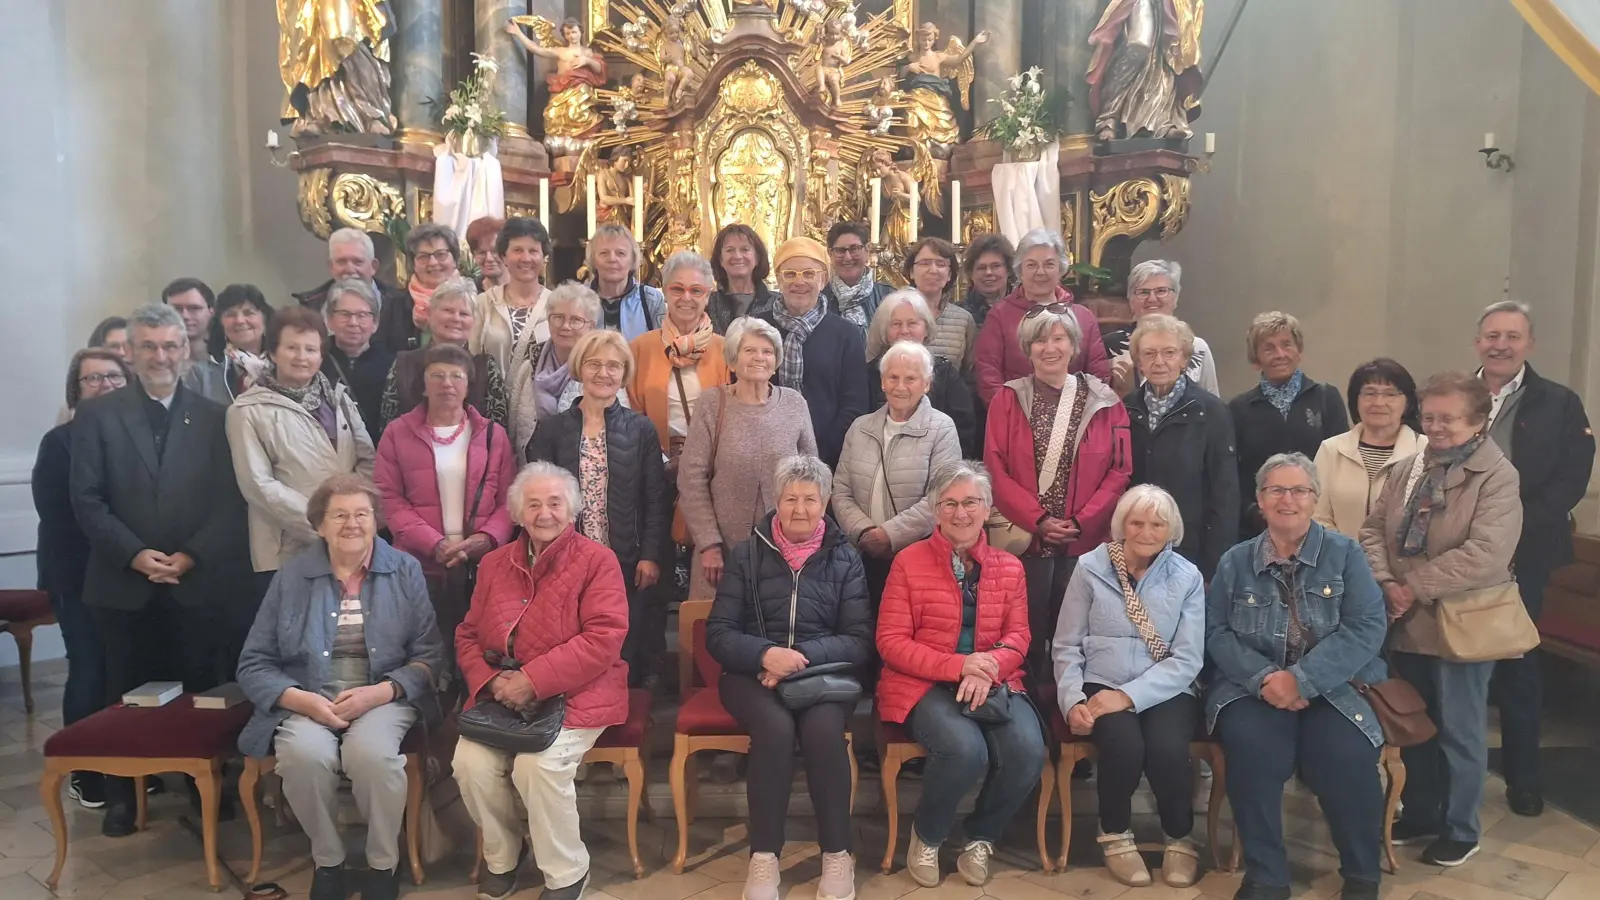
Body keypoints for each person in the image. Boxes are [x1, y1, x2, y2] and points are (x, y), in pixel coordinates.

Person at [70, 303, 249, 837]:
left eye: (170, 346)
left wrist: (190, 555)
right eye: (148, 346)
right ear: (132, 352)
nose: (161, 356)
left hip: (195, 582)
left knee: (201, 693)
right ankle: (126, 795)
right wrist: (135, 555)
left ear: (185, 349)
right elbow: (87, 500)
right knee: (124, 696)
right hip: (123, 583)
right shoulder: (98, 415)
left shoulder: (215, 414)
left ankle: (205, 792)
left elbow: (229, 501)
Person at [235, 475, 442, 900]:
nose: (352, 524)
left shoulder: (405, 570)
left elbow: (430, 658)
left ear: (375, 521)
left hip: (382, 696)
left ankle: (383, 864)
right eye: (340, 515)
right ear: (319, 525)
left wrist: (380, 692)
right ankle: (328, 860)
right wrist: (302, 700)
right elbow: (253, 662)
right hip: (309, 696)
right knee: (302, 756)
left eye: (362, 514)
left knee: (373, 757)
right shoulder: (291, 577)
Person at [1208, 453, 1388, 900]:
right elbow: (1215, 632)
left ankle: (1362, 874)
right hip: (1254, 689)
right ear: (1260, 500)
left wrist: (1301, 680)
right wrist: (1267, 678)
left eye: (1299, 491)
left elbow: (1366, 627)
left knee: (1346, 754)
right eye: (1276, 490)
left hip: (1336, 687)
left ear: (1314, 499)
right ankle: (1267, 876)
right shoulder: (1234, 561)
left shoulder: (1346, 555)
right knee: (1252, 749)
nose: (1288, 500)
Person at [1361, 372, 1522, 867]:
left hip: (1461, 623)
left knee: (1460, 729)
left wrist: (1414, 586)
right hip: (1405, 621)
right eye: (1429, 416)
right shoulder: (1407, 468)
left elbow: (1487, 554)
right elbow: (1371, 530)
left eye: (1448, 418)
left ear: (1477, 422)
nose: (1436, 427)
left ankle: (1460, 827)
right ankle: (1424, 812)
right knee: (1414, 724)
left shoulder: (1498, 475)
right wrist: (1387, 582)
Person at [453, 462, 629, 900]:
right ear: (518, 513)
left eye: (554, 503)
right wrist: (493, 683)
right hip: (503, 695)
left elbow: (603, 637)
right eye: (534, 504)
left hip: (581, 690)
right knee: (469, 763)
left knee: (539, 766)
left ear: (571, 509)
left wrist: (532, 679)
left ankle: (567, 871)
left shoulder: (597, 560)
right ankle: (505, 856)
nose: (544, 513)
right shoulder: (494, 564)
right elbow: (468, 634)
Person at [706, 455, 872, 900]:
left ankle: (837, 853)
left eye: (810, 500)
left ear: (827, 502)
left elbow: (858, 640)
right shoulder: (747, 554)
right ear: (776, 501)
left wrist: (796, 657)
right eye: (791, 499)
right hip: (749, 674)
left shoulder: (845, 558)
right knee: (776, 730)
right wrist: (764, 654)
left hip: (822, 676)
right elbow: (718, 633)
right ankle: (764, 858)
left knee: (822, 732)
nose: (800, 509)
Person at [877, 460, 1045, 889]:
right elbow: (891, 641)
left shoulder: (1010, 566)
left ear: (987, 508)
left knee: (1028, 748)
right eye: (949, 504)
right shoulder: (907, 562)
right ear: (935, 512)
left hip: (994, 681)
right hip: (923, 682)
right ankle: (928, 835)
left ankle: (980, 837)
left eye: (970, 502)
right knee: (964, 748)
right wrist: (959, 666)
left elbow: (1019, 635)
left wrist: (986, 669)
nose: (960, 512)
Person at [1474, 300, 1595, 816]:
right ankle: (1444, 785)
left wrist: (1516, 528)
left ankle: (1523, 781)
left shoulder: (1559, 402)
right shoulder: (1455, 394)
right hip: (1459, 554)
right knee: (1450, 669)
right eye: (1492, 335)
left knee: (1518, 667)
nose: (1501, 344)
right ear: (1478, 340)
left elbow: (1573, 476)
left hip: (1526, 554)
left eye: (1512, 336)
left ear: (1530, 344)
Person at [1053, 485, 1205, 888]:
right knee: (1124, 745)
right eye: (1137, 522)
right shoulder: (1090, 567)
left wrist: (1129, 696)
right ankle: (1115, 833)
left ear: (1171, 528)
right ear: (1122, 524)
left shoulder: (1188, 576)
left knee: (1167, 748)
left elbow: (1188, 659)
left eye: (1157, 524)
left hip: (1166, 686)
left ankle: (1179, 836)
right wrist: (1072, 701)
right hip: (1101, 680)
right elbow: (1066, 645)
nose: (1146, 532)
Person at [985, 303, 1132, 671]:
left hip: (1083, 542)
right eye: (1039, 340)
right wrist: (1038, 520)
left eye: (1058, 338)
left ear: (1074, 345)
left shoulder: (1106, 401)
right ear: (1026, 348)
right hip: (1025, 540)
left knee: (1078, 637)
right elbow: (995, 468)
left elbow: (1120, 469)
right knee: (1026, 635)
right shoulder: (1007, 398)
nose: (1049, 348)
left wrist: (1082, 522)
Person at [374, 344, 518, 696]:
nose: (447, 383)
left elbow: (510, 499)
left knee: (478, 652)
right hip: (419, 564)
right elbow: (389, 498)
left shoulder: (492, 434)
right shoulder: (397, 432)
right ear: (422, 385)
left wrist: (486, 538)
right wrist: (434, 544)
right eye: (437, 375)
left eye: (457, 376)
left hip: (480, 564)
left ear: (469, 385)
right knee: (427, 655)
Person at [529, 331, 669, 686]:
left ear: (624, 374)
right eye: (594, 364)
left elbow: (655, 499)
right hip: (566, 560)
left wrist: (651, 555)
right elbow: (536, 501)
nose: (603, 373)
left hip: (624, 559)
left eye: (613, 366)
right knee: (572, 646)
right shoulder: (551, 430)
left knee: (622, 647)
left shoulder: (640, 429)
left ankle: (623, 720)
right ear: (579, 369)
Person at [32, 348, 130, 809]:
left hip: (129, 574)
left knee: (123, 674)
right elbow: (60, 514)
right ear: (77, 389)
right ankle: (86, 771)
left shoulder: (134, 439)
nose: (105, 385)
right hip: (78, 575)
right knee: (89, 672)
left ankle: (126, 769)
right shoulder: (59, 442)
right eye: (93, 378)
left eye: (114, 377)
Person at [227, 306, 377, 591]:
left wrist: (350, 520)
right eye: (291, 348)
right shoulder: (247, 410)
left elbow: (366, 458)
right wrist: (325, 525)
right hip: (288, 547)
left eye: (310, 349)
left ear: (321, 355)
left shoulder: (339, 399)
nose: (301, 357)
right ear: (272, 352)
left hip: (350, 542)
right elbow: (259, 485)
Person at [678, 317, 818, 599]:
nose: (759, 358)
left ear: (776, 360)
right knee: (714, 633)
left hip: (785, 552)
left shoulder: (794, 403)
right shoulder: (712, 404)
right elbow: (691, 478)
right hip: (721, 554)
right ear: (732, 359)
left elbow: (812, 476)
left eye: (767, 352)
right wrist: (708, 544)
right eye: (749, 350)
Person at [834, 340, 962, 606]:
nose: (900, 386)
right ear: (882, 381)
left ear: (926, 384)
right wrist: (865, 532)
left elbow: (941, 497)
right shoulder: (860, 427)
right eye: (893, 377)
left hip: (918, 556)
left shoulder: (942, 428)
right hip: (861, 555)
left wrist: (889, 535)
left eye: (911, 378)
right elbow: (841, 491)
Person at [1122, 315, 1238, 579]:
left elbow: (1225, 493)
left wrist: (1214, 566)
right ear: (1138, 361)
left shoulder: (1212, 412)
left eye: (1169, 353)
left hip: (1190, 549)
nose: (1159, 361)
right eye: (1149, 353)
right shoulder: (1125, 409)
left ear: (1184, 359)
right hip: (1135, 546)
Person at [1229, 311, 1349, 539]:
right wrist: (1257, 513)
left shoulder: (1326, 398)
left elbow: (1339, 465)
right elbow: (1233, 476)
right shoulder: (1239, 409)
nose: (1280, 354)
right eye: (1269, 348)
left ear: (1299, 351)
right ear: (1256, 359)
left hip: (1318, 526)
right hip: (1258, 529)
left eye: (1287, 345)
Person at [757, 236, 868, 467]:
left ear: (823, 279)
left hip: (826, 457)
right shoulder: (757, 329)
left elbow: (854, 404)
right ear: (778, 279)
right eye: (790, 274)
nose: (800, 282)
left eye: (809, 274)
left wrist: (818, 450)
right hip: (762, 452)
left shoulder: (846, 334)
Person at [975, 228, 1110, 405]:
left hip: (1075, 418)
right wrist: (1010, 414)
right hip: (1015, 419)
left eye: (1049, 264)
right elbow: (988, 374)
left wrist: (1078, 414)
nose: (1040, 272)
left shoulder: (1083, 317)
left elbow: (1098, 375)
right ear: (1019, 271)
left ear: (1061, 269)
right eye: (1031, 265)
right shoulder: (1000, 315)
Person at [1311, 359, 1424, 539]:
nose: (1378, 402)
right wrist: (1348, 555)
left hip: (1402, 563)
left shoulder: (1425, 450)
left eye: (1390, 394)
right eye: (1369, 393)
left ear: (1408, 402)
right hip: (1340, 561)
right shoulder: (1331, 449)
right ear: (1356, 400)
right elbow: (1316, 515)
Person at [380, 276, 509, 431]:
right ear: (429, 313)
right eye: (448, 310)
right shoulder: (404, 364)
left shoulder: (485, 368)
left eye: (464, 314)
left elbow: (499, 433)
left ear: (473, 321)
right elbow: (388, 428)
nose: (456, 318)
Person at [865, 289, 978, 455]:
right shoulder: (870, 374)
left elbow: (964, 433)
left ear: (926, 329)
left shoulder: (945, 375)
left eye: (912, 323)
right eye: (896, 324)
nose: (904, 331)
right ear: (885, 331)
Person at [509, 281, 609, 458]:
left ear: (591, 326)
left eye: (576, 320)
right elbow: (513, 426)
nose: (565, 326)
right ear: (548, 320)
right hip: (532, 469)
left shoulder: (602, 371)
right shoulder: (529, 366)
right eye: (558, 317)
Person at [1105, 260, 1220, 396]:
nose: (1152, 299)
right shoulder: (1108, 346)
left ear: (1175, 298)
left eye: (1161, 291)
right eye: (1143, 292)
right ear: (1131, 301)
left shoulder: (1197, 347)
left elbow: (1212, 401)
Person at [471, 216, 551, 376]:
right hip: (492, 399)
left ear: (544, 257)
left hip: (540, 400)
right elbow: (472, 360)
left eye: (533, 251)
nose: (526, 258)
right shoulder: (483, 304)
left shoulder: (557, 305)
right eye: (517, 250)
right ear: (503, 256)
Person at [322, 277, 396, 446]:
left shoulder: (394, 365)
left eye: (362, 315)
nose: (353, 323)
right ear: (330, 320)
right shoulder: (316, 361)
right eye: (345, 314)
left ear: (375, 323)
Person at [379, 223, 462, 353]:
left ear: (455, 260)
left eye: (441, 254)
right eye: (423, 256)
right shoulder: (393, 305)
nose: (433, 262)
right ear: (414, 264)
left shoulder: (475, 301)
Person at [903, 237, 977, 373]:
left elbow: (969, 374)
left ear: (949, 274)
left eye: (941, 264)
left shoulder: (963, 320)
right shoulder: (893, 312)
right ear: (911, 272)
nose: (933, 270)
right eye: (925, 263)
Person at [587, 224, 666, 343]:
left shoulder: (651, 300)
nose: (612, 259)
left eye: (621, 253)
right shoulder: (578, 300)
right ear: (593, 260)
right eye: (604, 253)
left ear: (633, 259)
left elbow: (661, 349)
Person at [294, 226, 394, 316]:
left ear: (373, 266)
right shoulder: (311, 308)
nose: (349, 269)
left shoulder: (400, 305)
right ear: (331, 267)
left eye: (357, 262)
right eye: (341, 262)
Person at [204, 283, 276, 403]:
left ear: (265, 317)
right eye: (230, 315)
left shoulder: (284, 363)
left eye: (248, 313)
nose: (240, 320)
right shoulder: (202, 374)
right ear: (220, 323)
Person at [820, 221, 891, 331]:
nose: (847, 257)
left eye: (854, 249)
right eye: (840, 250)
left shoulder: (889, 297)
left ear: (867, 250)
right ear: (830, 254)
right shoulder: (818, 300)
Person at [706, 224, 777, 333]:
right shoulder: (707, 303)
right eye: (730, 250)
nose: (738, 256)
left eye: (745, 249)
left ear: (757, 257)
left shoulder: (777, 304)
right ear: (720, 259)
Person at [164, 277, 225, 402]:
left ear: (211, 311)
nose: (185, 316)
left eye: (194, 308)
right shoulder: (156, 358)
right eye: (176, 309)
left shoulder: (229, 358)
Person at [959, 233, 1015, 332]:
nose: (988, 272)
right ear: (971, 274)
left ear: (1009, 270)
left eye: (996, 266)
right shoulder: (957, 315)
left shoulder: (1025, 311)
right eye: (981, 268)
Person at [466, 215, 509, 289]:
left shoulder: (526, 285)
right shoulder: (471, 293)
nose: (489, 258)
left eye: (495, 251)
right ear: (473, 255)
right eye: (481, 253)